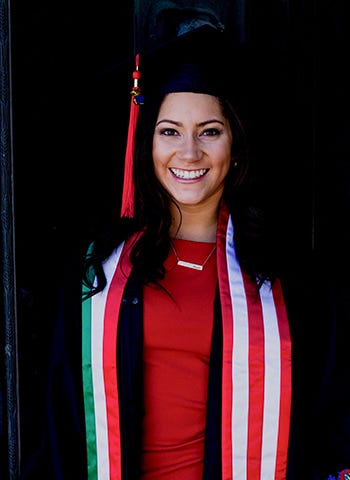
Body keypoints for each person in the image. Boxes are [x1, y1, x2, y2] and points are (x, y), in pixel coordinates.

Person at [19, 33, 350, 480]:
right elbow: (60, 422)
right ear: (147, 145)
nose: (189, 152)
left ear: (234, 148)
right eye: (169, 131)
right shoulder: (98, 272)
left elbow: (327, 420)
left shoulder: (284, 279)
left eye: (209, 132)